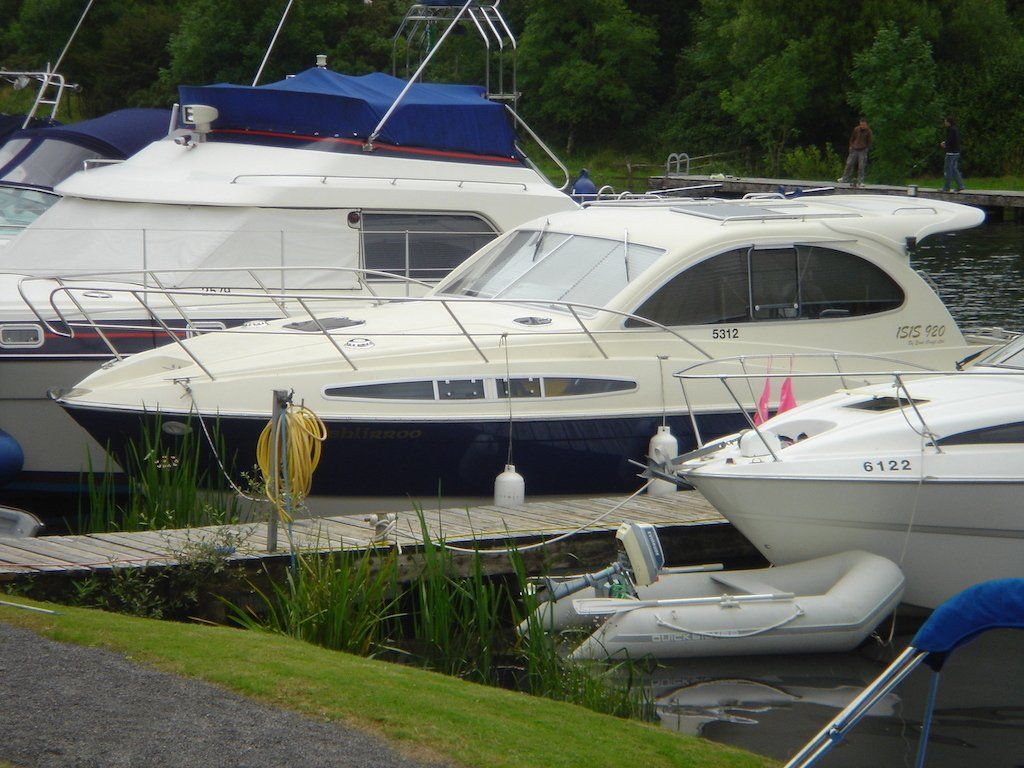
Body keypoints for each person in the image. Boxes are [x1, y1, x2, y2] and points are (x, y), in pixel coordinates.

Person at [837, 117, 873, 186]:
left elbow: (869, 141)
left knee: (861, 166)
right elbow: (852, 138)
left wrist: (867, 148)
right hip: (854, 148)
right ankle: (844, 178)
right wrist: (851, 146)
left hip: (863, 150)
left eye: (864, 125)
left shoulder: (869, 131)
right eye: (861, 125)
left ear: (866, 125)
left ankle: (860, 181)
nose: (862, 126)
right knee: (849, 164)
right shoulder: (856, 129)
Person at [941, 116, 965, 192]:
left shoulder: (951, 130)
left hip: (951, 153)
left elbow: (950, 140)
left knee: (948, 170)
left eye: (945, 121)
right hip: (956, 152)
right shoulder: (955, 129)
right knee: (954, 169)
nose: (944, 123)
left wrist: (944, 144)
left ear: (948, 122)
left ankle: (946, 187)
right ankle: (960, 186)